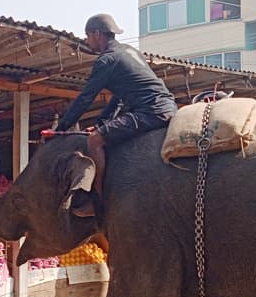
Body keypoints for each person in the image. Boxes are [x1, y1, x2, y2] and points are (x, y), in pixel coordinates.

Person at [54, 13, 178, 216]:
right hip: (167, 107)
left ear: (96, 34)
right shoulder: (129, 51)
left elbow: (85, 98)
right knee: (102, 133)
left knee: (94, 141)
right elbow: (119, 97)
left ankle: (98, 202)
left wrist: (61, 128)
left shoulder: (106, 60)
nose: (87, 41)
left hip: (150, 111)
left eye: (87, 36)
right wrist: (103, 122)